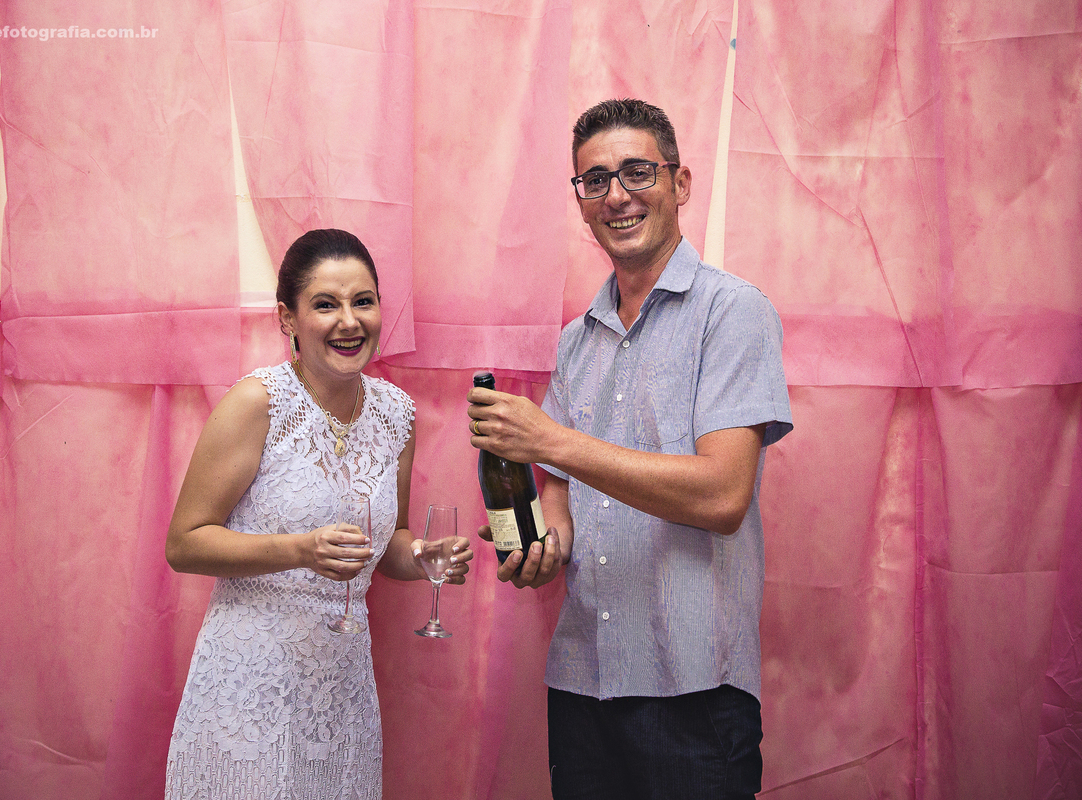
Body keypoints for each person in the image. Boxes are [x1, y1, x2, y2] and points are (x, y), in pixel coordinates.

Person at [467, 99, 792, 799]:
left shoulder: (733, 312)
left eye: (637, 172)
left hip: (695, 690)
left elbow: (723, 495)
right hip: (581, 682)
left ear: (680, 183)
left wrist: (554, 441)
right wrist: (544, 548)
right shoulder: (576, 339)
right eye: (595, 180)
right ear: (581, 202)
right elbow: (559, 494)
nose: (616, 195)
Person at [164, 228, 473, 799]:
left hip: (341, 689)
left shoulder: (397, 415)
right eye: (326, 305)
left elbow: (389, 543)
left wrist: (422, 555)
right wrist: (300, 549)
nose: (349, 322)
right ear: (289, 318)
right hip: (248, 685)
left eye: (363, 301)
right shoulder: (258, 403)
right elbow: (185, 543)